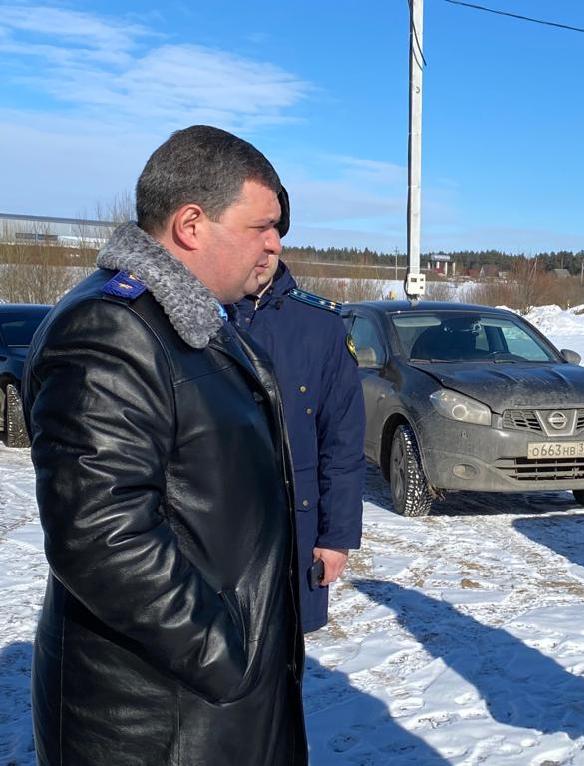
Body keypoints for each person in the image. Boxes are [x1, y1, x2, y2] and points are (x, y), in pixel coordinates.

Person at [22, 125, 307, 765]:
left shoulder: (193, 321)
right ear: (191, 224)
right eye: (261, 225)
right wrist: (225, 656)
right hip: (158, 716)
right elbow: (99, 534)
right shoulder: (110, 327)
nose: (275, 242)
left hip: (205, 701)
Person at [232, 224, 366, 634]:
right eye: (253, 233)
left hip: (295, 532)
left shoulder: (319, 324)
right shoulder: (196, 315)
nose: (267, 249)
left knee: (283, 656)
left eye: (274, 236)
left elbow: (342, 442)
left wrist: (336, 537)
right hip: (214, 534)